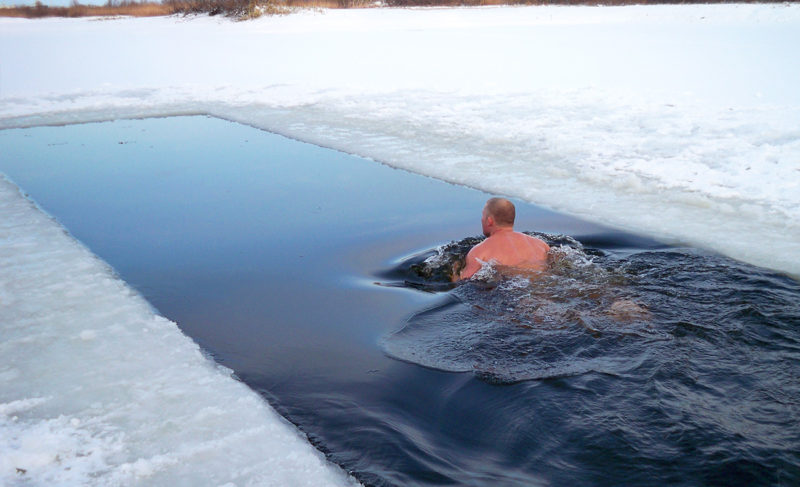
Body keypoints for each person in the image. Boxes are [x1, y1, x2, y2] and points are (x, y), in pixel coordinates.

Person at [454, 197, 550, 281]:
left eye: (483, 215)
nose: (481, 219)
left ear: (489, 221)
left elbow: (464, 282)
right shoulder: (541, 244)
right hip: (542, 284)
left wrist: (455, 272)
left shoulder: (479, 251)